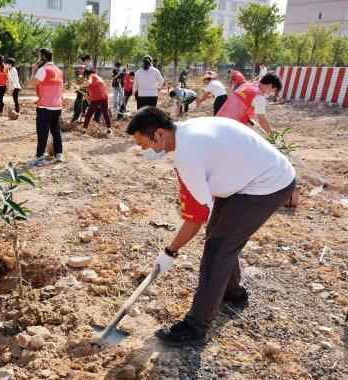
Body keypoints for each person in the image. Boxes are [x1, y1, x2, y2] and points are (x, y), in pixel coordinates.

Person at [126, 107, 296, 347]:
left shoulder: (188, 154)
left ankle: (195, 328)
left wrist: (169, 251)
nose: (146, 151)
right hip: (247, 177)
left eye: (145, 145)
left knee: (218, 249)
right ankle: (233, 293)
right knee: (218, 236)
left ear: (160, 134)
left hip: (267, 184)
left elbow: (195, 218)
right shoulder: (187, 131)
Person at [28, 47, 65, 166]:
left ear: (43, 58)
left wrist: (34, 70)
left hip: (45, 106)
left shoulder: (43, 70)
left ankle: (39, 156)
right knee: (56, 131)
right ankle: (59, 153)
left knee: (42, 132)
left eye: (39, 57)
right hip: (57, 106)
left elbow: (32, 84)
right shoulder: (59, 71)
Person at [216, 73, 283, 135]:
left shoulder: (246, 85)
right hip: (230, 127)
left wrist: (250, 121)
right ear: (270, 85)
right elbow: (262, 120)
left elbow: (240, 106)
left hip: (219, 118)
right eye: (273, 90)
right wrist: (272, 136)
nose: (270, 93)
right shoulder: (259, 97)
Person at [79, 70, 112, 135]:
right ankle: (109, 129)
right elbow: (93, 93)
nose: (85, 78)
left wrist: (79, 86)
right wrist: (86, 96)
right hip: (104, 97)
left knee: (88, 114)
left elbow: (89, 82)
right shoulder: (98, 77)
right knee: (105, 113)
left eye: (85, 76)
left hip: (97, 97)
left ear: (87, 74)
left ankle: (84, 129)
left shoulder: (91, 76)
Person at [71, 55, 100, 123]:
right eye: (88, 61)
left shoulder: (88, 69)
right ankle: (75, 114)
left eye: (90, 61)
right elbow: (79, 78)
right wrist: (81, 84)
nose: (89, 62)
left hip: (87, 87)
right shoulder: (80, 68)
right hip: (81, 86)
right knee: (79, 100)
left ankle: (82, 112)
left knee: (84, 101)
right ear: (85, 60)